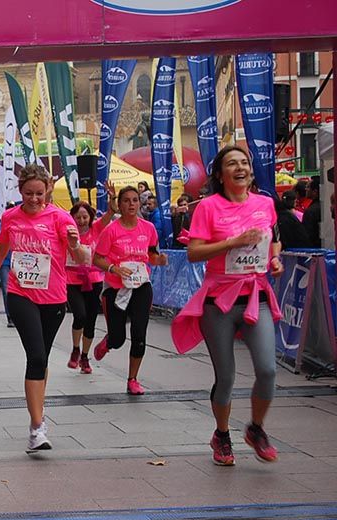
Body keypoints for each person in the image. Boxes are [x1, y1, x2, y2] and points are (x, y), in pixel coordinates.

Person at [171, 145, 283, 466]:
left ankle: (256, 428)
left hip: (255, 296)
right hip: (218, 301)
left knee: (268, 369)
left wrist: (274, 258)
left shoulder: (264, 204)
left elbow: (273, 237)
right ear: (220, 175)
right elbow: (194, 252)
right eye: (232, 164)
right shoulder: (208, 207)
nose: (241, 168)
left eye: (244, 163)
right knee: (227, 376)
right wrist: (233, 242)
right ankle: (221, 434)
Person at [0, 165, 86, 452]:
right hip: (20, 293)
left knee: (42, 359)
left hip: (53, 297)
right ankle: (38, 427)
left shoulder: (60, 217)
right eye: (28, 193)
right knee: (36, 355)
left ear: (48, 188)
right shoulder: (11, 216)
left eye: (39, 193)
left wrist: (75, 244)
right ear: (19, 190)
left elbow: (81, 255)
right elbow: (1, 251)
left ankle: (36, 417)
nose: (34, 199)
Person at [91, 186, 169, 395]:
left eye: (135, 200)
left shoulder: (148, 228)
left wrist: (158, 260)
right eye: (126, 201)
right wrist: (114, 268)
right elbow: (97, 258)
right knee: (118, 339)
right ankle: (109, 341)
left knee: (139, 333)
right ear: (120, 204)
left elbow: (152, 253)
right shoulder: (111, 230)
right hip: (116, 289)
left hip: (141, 286)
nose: (131, 204)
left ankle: (132, 379)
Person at [64, 200, 108, 375]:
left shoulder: (96, 229)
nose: (81, 221)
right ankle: (75, 348)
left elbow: (109, 216)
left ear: (90, 218)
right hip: (72, 280)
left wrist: (111, 203)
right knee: (80, 315)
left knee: (91, 320)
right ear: (72, 218)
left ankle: (84, 356)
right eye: (78, 217)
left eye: (85, 217)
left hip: (94, 280)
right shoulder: (67, 231)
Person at [302, 176, 322, 247]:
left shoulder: (310, 212)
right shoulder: (321, 207)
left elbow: (307, 236)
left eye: (308, 187)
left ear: (315, 191)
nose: (305, 189)